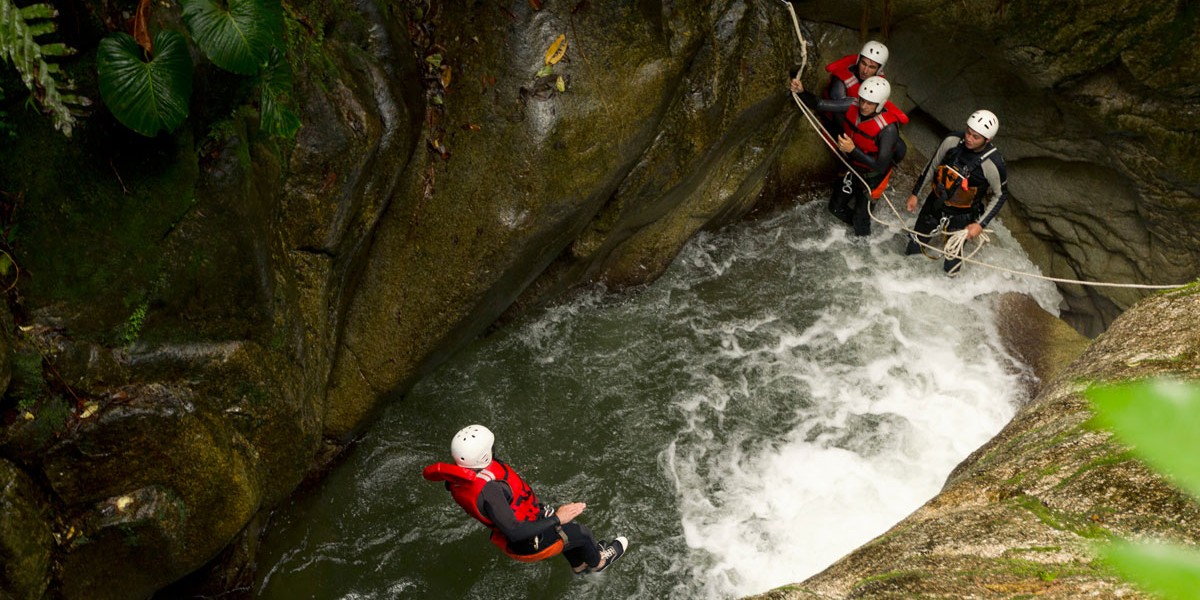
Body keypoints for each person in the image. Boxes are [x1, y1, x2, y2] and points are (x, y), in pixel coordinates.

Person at [422, 424, 628, 574]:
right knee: (581, 533)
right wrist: (557, 518)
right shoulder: (490, 491)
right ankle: (598, 562)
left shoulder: (461, 479)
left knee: (568, 530)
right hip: (526, 543)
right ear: (485, 455)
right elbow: (515, 532)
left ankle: (579, 565)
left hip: (521, 527)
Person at [790, 75, 908, 236]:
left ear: (879, 104)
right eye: (862, 100)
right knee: (835, 208)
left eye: (869, 103)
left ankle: (862, 232)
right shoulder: (852, 104)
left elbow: (880, 166)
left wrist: (853, 150)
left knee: (861, 223)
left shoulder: (888, 130)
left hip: (874, 176)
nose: (864, 106)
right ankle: (855, 221)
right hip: (853, 167)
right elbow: (820, 104)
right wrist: (802, 91)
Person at [904, 109, 1008, 274]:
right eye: (968, 132)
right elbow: (932, 165)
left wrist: (980, 225)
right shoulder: (951, 141)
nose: (968, 138)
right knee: (914, 247)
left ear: (987, 140)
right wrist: (915, 194)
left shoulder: (993, 164)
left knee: (951, 264)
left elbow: (1000, 195)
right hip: (935, 204)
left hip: (962, 217)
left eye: (976, 137)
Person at [793, 40, 889, 133]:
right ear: (858, 60)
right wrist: (802, 91)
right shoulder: (842, 80)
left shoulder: (880, 83)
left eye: (872, 67)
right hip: (841, 121)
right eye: (863, 63)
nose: (865, 71)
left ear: (879, 69)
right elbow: (825, 105)